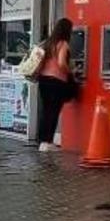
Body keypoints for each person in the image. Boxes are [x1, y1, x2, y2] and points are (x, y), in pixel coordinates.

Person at [36, 18, 75, 152]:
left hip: (43, 80)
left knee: (45, 111)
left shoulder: (47, 43)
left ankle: (42, 142)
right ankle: (48, 141)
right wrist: (71, 71)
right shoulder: (63, 44)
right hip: (56, 81)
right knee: (53, 111)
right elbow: (61, 63)